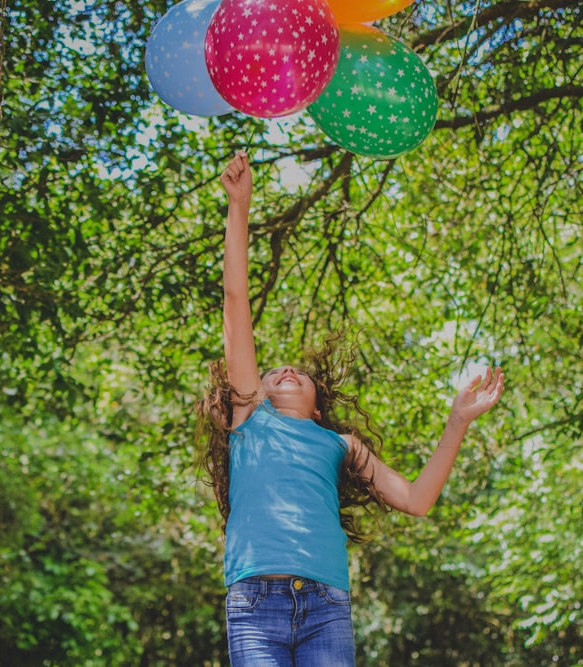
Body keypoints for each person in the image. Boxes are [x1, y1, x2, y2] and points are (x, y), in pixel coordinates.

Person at [196, 151, 505, 666]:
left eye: (298, 371)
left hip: (327, 606)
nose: (285, 371)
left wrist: (458, 421)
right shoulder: (251, 419)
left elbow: (416, 500)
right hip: (255, 602)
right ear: (258, 390)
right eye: (273, 372)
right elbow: (235, 301)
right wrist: (240, 207)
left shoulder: (339, 444)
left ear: (319, 408)